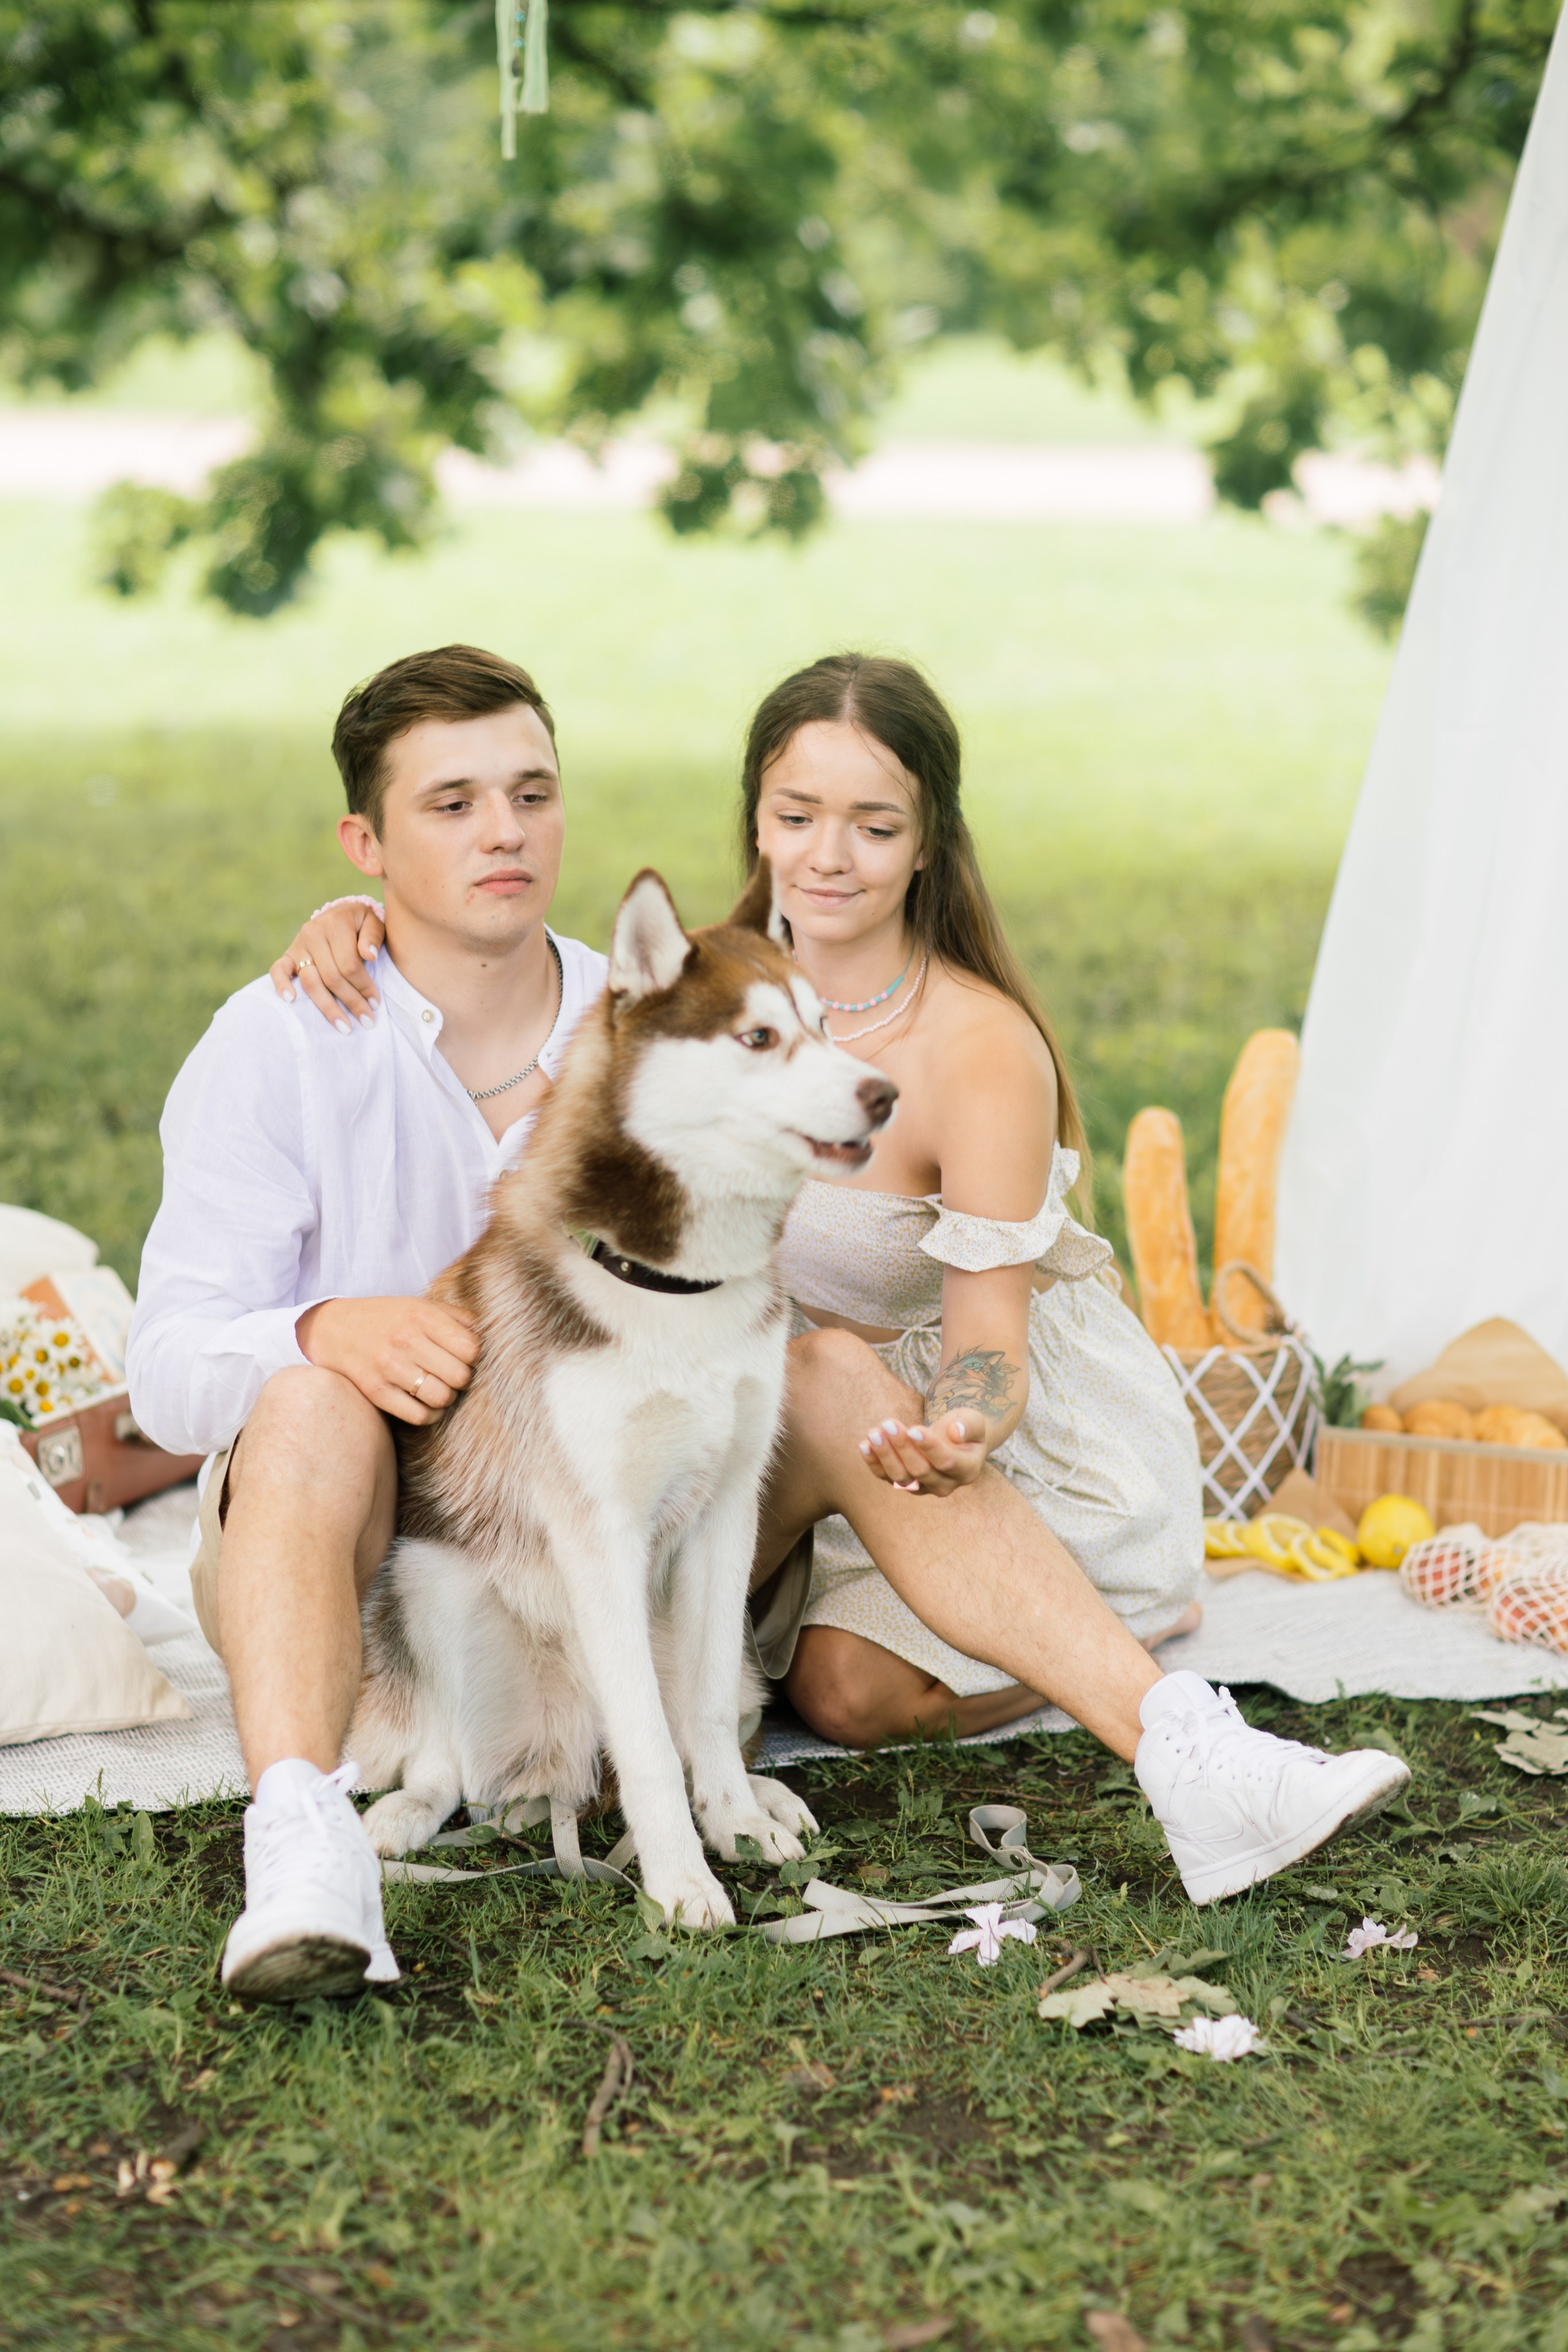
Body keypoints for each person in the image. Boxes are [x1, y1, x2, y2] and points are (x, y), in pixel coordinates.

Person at [272, 652, 1409, 1918]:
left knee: (818, 1397)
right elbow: (501, 963)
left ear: (927, 843)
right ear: (755, 821)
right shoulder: (708, 978)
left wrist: (968, 1417)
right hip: (747, 1428)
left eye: (874, 825)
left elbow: (988, 1343)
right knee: (839, 1696)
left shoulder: (976, 1046)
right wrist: (357, 921)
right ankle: (1066, 1647)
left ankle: (1175, 1727)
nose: (830, 854)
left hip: (958, 1423)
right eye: (797, 816)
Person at [129, 645, 608, 2002]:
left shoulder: (641, 1031)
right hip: (330, 1543)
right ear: (366, 842)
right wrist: (324, 1328)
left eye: (530, 793)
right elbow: (163, 1367)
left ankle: (1176, 1741)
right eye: (449, 804)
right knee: (307, 1391)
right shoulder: (278, 1041)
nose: (504, 831)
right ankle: (301, 1847)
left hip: (563, 1540)